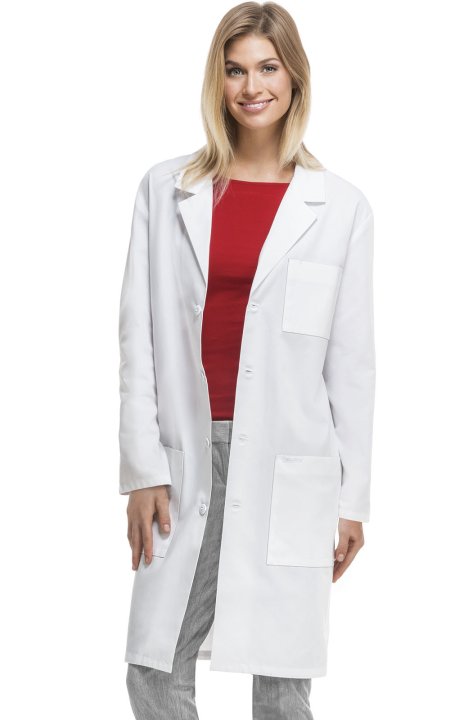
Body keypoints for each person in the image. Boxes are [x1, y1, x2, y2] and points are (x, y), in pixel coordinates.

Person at [119, 2, 376, 718]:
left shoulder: (340, 208)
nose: (251, 87)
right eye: (234, 70)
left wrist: (352, 499)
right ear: (217, 80)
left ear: (294, 78)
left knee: (281, 684)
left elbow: (352, 367)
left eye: (268, 68)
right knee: (153, 667)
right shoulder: (166, 190)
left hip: (290, 459)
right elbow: (137, 338)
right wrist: (142, 470)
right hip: (188, 455)